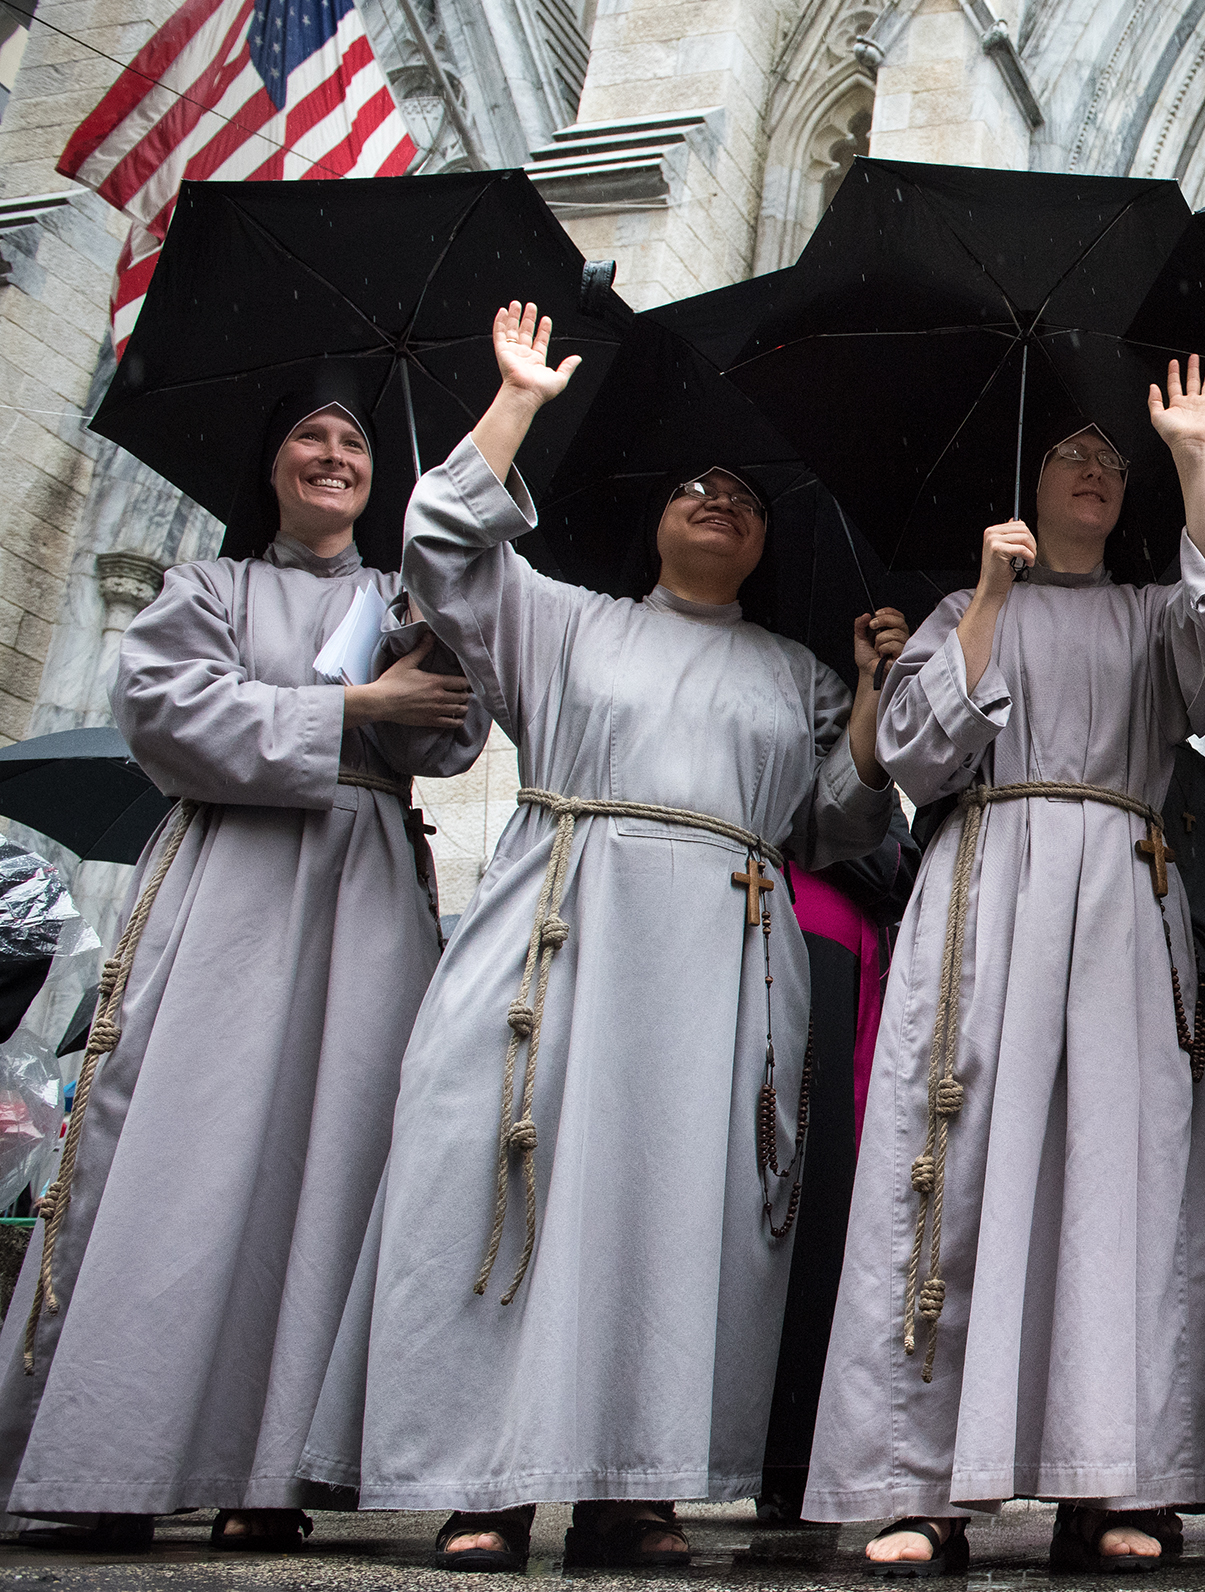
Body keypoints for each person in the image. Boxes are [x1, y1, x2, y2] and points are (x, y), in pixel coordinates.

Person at [297, 304, 902, 1571]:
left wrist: (870, 701)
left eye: (742, 493)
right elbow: (443, 544)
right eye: (695, 486)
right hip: (563, 931)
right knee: (510, 1175)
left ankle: (639, 1485)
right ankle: (489, 1477)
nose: (718, 499)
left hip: (726, 961)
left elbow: (835, 827)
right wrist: (516, 398)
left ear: (767, 537)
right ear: (654, 520)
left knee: (683, 1209)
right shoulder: (566, 620)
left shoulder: (793, 672)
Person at [0, 382, 487, 1552]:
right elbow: (167, 715)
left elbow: (454, 736)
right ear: (271, 467)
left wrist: (439, 625)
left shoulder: (397, 593)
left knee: (338, 1157)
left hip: (366, 885)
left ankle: (274, 1470)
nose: (332, 454)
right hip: (231, 879)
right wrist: (353, 699)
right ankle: (111, 1461)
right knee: (181, 1147)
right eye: (309, 437)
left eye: (354, 441)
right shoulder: (205, 588)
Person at [804, 359, 1205, 1574]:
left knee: (1117, 1177)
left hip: (1117, 895)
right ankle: (921, 1480)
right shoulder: (962, 608)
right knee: (951, 1162)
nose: (1097, 468)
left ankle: (1116, 1479)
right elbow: (914, 755)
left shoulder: (1153, 608)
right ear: (1028, 482)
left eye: (1115, 457)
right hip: (986, 892)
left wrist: (1193, 454)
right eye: (1074, 451)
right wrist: (991, 598)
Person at [757, 808, 921, 1523]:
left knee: (829, 1187)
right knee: (814, 1187)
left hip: (844, 935)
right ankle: (790, 1448)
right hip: (815, 927)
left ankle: (796, 1448)